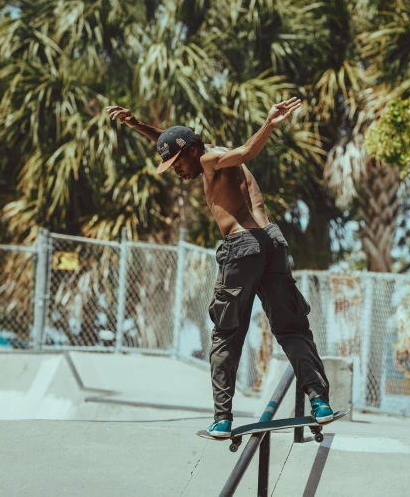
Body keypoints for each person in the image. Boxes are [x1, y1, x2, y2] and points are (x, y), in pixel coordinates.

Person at [106, 98, 332, 437]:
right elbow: (176, 143)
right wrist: (139, 126)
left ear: (193, 152)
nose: (178, 174)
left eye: (178, 165)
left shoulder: (211, 161)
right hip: (272, 242)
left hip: (242, 247)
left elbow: (244, 152)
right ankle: (320, 402)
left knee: (227, 334)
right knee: (291, 329)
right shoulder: (205, 152)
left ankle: (222, 418)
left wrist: (269, 122)